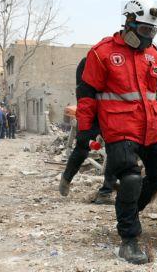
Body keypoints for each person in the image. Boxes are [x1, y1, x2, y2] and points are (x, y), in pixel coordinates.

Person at [76, 0, 157, 264]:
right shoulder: (101, 53)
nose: (148, 37)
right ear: (128, 24)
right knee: (130, 178)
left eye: (152, 32)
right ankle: (129, 240)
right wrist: (85, 128)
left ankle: (129, 209)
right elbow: (87, 92)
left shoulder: (150, 54)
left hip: (150, 126)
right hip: (119, 127)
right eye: (144, 31)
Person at [59, 57, 117, 205]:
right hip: (90, 114)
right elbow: (84, 103)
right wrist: (85, 128)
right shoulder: (86, 65)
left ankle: (106, 191)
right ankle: (66, 178)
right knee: (82, 147)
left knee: (114, 149)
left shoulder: (114, 65)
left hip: (109, 113)